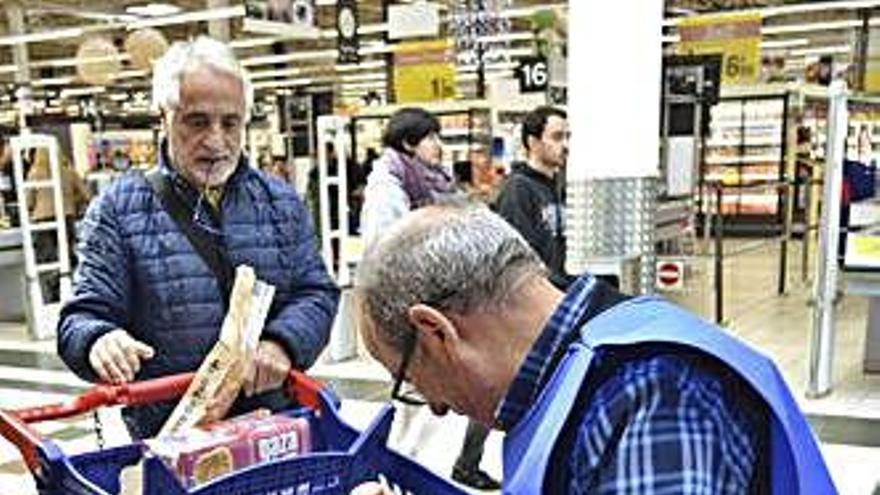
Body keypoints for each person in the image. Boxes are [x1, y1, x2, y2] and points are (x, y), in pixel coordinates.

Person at [354, 202, 835, 494]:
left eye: (411, 381)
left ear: (437, 332)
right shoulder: (589, 363)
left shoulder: (653, 394)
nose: (436, 409)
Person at [57, 37, 339, 440]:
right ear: (163, 117)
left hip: (271, 428)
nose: (216, 141)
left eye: (231, 122)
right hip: (175, 438)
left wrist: (283, 343)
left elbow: (317, 293)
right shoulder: (117, 210)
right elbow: (80, 317)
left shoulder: (280, 201)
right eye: (197, 121)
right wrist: (99, 340)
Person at [360, 108, 499, 490]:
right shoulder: (387, 188)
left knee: (430, 411)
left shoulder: (434, 184)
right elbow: (382, 257)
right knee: (413, 410)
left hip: (437, 310)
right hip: (405, 317)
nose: (438, 146)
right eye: (431, 137)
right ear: (408, 143)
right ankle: (391, 478)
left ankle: (406, 476)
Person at [494, 106, 572, 289]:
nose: (566, 145)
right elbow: (519, 257)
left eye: (568, 137)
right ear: (533, 142)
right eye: (557, 137)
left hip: (564, 292)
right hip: (538, 295)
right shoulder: (518, 189)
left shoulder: (561, 187)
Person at [26, 149, 91, 300]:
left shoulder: (35, 173)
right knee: (67, 261)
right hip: (66, 219)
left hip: (42, 224)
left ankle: (53, 299)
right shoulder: (68, 172)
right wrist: (70, 201)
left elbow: (28, 202)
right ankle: (72, 296)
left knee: (50, 264)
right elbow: (87, 195)